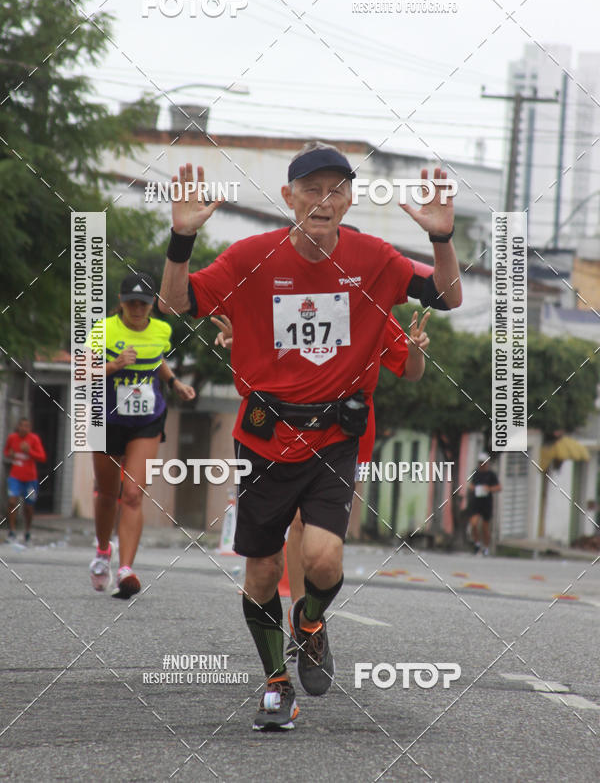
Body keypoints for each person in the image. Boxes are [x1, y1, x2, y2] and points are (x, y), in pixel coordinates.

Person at [159, 142, 461, 731]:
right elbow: (175, 302)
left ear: (349, 199)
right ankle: (276, 683)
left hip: (333, 436)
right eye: (312, 189)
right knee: (263, 573)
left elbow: (448, 296)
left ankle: (311, 623)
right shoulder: (251, 256)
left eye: (336, 189)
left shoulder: (375, 258)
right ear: (289, 197)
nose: (324, 201)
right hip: (265, 437)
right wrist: (181, 239)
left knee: (322, 558)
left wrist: (442, 240)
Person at [212, 308, 432, 661]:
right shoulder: (289, 295)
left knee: (312, 531)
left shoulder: (367, 302)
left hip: (340, 433)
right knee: (293, 526)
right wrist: (243, 343)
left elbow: (410, 370)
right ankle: (302, 621)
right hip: (286, 432)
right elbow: (267, 349)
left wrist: (417, 348)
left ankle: (308, 619)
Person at [86, 271, 195, 598]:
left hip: (146, 419)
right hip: (105, 418)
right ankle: (104, 551)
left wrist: (174, 382)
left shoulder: (162, 330)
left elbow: (156, 358)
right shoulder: (102, 329)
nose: (137, 308)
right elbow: (84, 371)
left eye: (144, 303)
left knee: (132, 494)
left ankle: (126, 568)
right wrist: (114, 365)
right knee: (107, 494)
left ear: (152, 305)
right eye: (131, 302)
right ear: (120, 302)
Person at [4, 417, 47, 544]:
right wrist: (10, 454)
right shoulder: (12, 438)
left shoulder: (34, 439)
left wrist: (30, 451)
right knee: (12, 502)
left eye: (26, 426)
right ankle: (11, 531)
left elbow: (42, 457)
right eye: (21, 426)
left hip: (30, 479)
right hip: (15, 477)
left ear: (30, 428)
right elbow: (6, 451)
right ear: (18, 427)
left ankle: (27, 531)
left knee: (28, 507)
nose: (24, 428)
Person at [466, 452, 501, 556]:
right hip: (476, 502)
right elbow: (471, 485)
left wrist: (489, 489)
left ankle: (486, 547)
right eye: (480, 462)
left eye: (483, 462)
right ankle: (477, 543)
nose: (481, 464)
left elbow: (498, 487)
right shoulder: (475, 473)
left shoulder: (491, 475)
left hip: (486, 503)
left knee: (485, 528)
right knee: (474, 524)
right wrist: (472, 488)